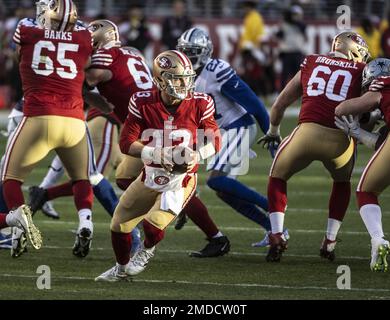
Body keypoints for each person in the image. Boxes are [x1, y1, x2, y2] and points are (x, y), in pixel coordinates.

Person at [95, 50, 221, 281]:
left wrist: (196, 154)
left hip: (181, 180)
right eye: (177, 79)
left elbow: (215, 139)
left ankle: (147, 249)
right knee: (118, 225)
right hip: (151, 172)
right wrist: (155, 152)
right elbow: (126, 142)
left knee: (152, 226)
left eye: (187, 78)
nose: (184, 84)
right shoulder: (142, 101)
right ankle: (120, 269)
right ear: (160, 80)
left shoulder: (201, 102)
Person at [258, 31, 369, 262]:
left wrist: (274, 131)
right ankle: (329, 241)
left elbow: (279, 104)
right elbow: (369, 111)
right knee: (341, 183)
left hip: (305, 135)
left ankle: (277, 234)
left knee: (277, 176)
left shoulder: (311, 61)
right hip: (340, 140)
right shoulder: (360, 71)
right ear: (354, 51)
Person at [177, 28, 288, 248]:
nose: (188, 57)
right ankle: (274, 228)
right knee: (223, 191)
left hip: (237, 126)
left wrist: (272, 137)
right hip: (216, 131)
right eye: (184, 51)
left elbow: (256, 106)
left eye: (192, 52)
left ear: (205, 52)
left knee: (217, 180)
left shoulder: (216, 71)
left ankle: (273, 207)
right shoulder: (182, 76)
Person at [3, 0, 93, 258]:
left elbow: (18, 51)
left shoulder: (27, 30)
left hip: (39, 117)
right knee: (81, 179)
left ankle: (19, 227)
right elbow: (86, 52)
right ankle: (85, 222)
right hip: (75, 121)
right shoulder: (84, 37)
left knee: (10, 178)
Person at [335, 58, 390, 272]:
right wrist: (362, 133)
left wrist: (368, 110)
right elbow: (381, 143)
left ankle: (379, 241)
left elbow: (342, 109)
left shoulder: (381, 84)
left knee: (366, 190)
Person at [276, 5, 307, 90]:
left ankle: (299, 92)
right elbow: (279, 35)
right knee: (284, 74)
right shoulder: (284, 24)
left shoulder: (300, 24)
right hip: (287, 52)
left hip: (296, 51)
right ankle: (281, 91)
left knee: (297, 74)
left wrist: (293, 20)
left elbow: (302, 27)